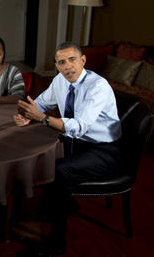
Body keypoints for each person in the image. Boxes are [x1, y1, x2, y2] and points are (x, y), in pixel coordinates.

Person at [14, 41, 122, 255]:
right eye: (61, 62)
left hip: (106, 150)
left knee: (61, 170)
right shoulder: (60, 81)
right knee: (40, 153)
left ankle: (55, 243)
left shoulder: (97, 86)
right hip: (78, 143)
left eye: (72, 59)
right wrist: (28, 114)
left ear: (83, 60)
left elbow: (79, 126)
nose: (67, 66)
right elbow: (42, 104)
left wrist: (42, 119)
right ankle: (55, 207)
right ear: (56, 65)